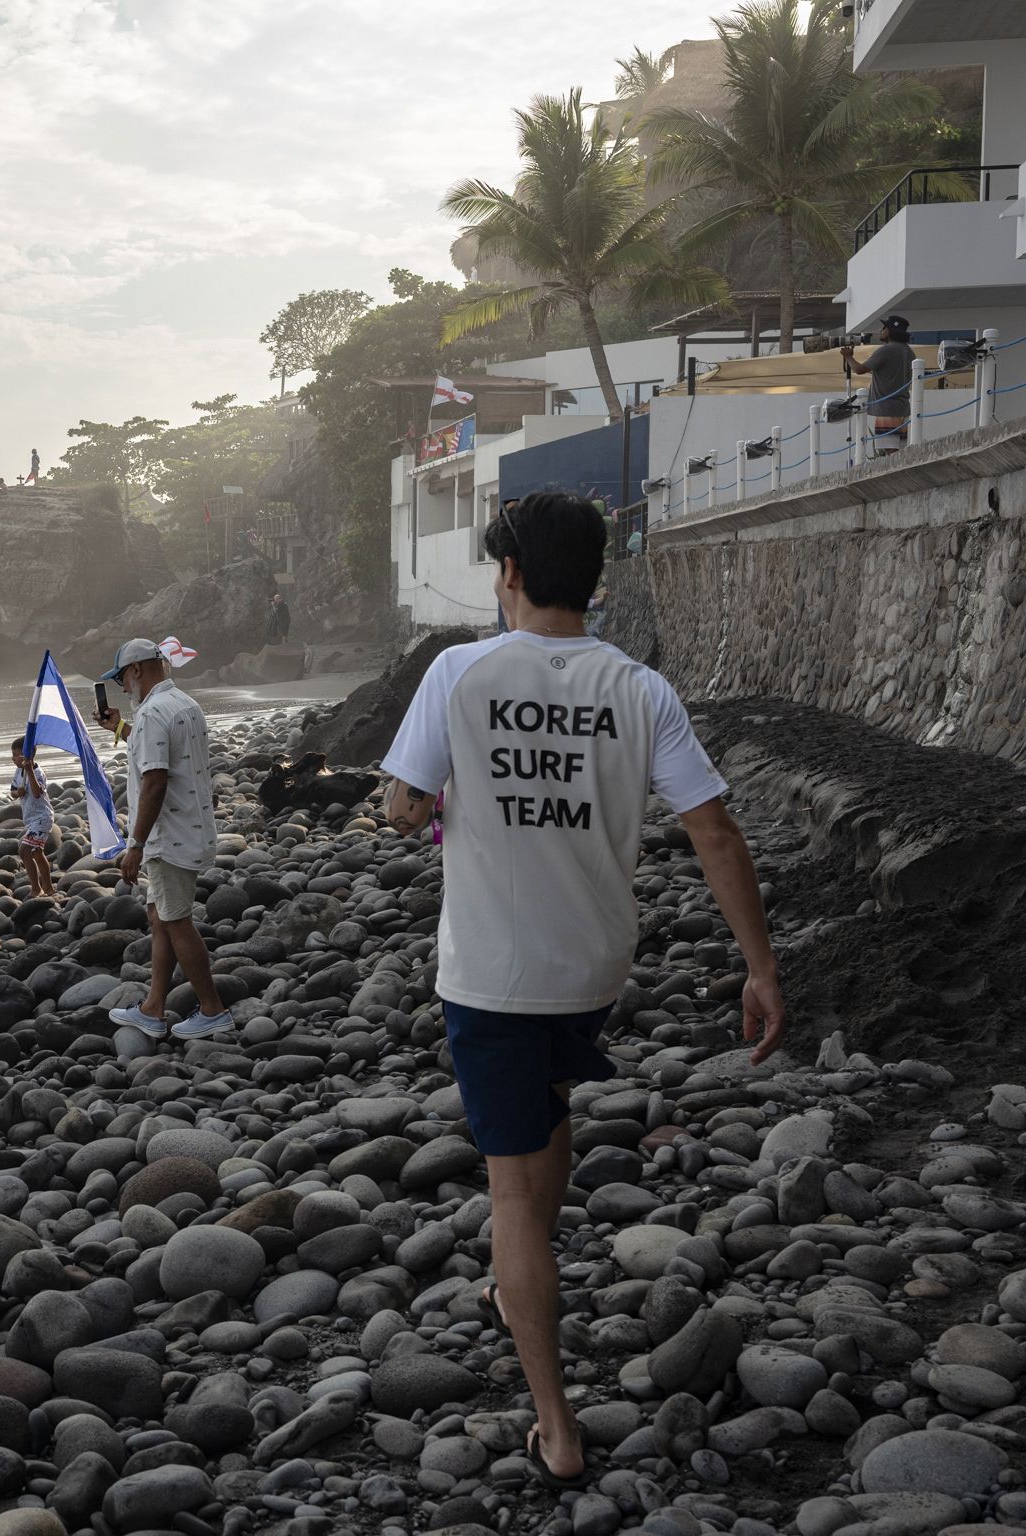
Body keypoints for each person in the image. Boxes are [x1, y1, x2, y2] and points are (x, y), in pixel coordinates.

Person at [379, 489, 784, 1486]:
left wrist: (435, 802)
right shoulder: (639, 689)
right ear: (594, 577)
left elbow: (403, 808)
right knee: (550, 1105)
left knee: (510, 1191)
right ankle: (523, 1280)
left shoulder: (458, 671)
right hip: (593, 965)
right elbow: (713, 829)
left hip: (492, 972)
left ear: (510, 573)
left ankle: (556, 1428)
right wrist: (760, 966)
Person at [94, 639, 229, 1040]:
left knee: (176, 921)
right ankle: (153, 1008)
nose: (122, 687)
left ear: (136, 670)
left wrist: (134, 845)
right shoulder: (183, 703)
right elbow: (163, 751)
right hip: (190, 826)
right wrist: (120, 728)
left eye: (121, 678)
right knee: (159, 916)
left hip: (168, 835)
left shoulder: (153, 712)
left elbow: (155, 783)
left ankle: (213, 1010)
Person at [844, 314, 915, 454]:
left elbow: (859, 370)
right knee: (899, 450)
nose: (880, 330)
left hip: (887, 407)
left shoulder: (886, 350)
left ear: (891, 331)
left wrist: (848, 357)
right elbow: (887, 372)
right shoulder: (908, 351)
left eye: (884, 327)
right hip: (902, 406)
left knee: (891, 449)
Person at [9, 736, 55, 898]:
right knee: (37, 853)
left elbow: (36, 793)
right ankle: (48, 888)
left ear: (26, 756)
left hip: (42, 818)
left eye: (16, 755)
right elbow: (12, 792)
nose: (13, 758)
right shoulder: (18, 772)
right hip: (32, 819)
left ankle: (36, 888)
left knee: (24, 851)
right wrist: (18, 792)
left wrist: (29, 771)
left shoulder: (37, 772)